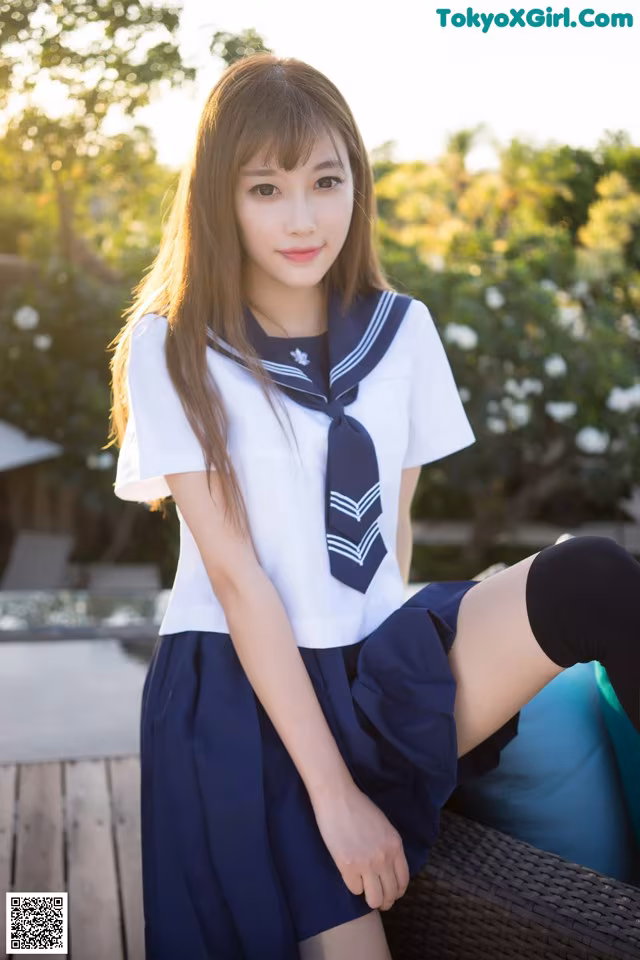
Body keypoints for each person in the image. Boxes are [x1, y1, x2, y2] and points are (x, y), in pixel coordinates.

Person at [107, 53, 640, 960]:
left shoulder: (402, 331)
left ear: (357, 181)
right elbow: (239, 582)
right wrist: (337, 795)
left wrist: (409, 680)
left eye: (326, 181)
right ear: (218, 199)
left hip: (373, 657)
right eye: (266, 189)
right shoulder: (176, 347)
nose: (303, 218)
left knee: (592, 575)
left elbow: (389, 537)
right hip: (246, 691)